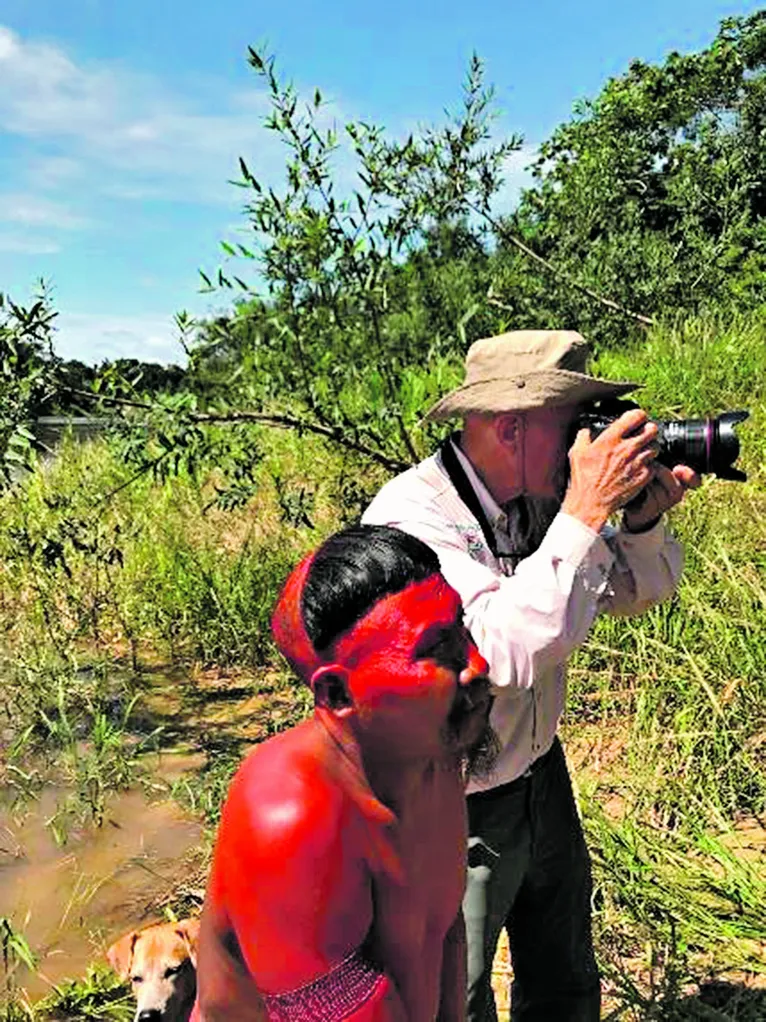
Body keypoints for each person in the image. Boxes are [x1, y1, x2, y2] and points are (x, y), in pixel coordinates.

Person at [362, 330, 700, 1022]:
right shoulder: (413, 519)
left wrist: (635, 523)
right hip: (454, 801)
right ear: (510, 427)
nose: (588, 442)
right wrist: (582, 513)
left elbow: (639, 592)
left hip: (541, 774)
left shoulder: (537, 496)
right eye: (571, 423)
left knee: (563, 971)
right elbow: (499, 658)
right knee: (456, 993)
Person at [191, 523, 498, 1022]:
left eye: (461, 628)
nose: (477, 663)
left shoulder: (431, 750)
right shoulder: (288, 825)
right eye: (436, 649)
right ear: (338, 696)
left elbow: (444, 930)